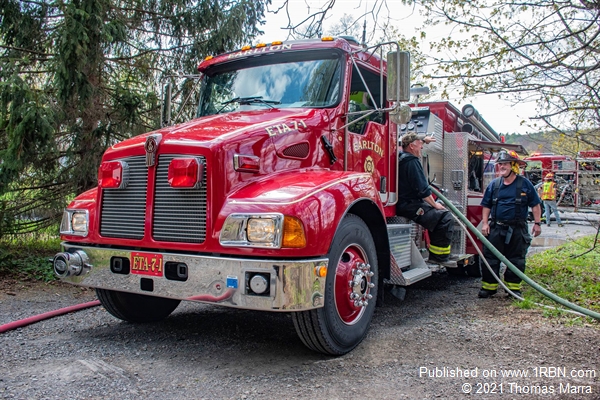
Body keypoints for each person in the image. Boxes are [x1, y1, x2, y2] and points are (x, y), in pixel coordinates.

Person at [479, 149, 542, 298]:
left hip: (517, 229)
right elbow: (486, 205)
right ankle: (489, 287)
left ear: (514, 166)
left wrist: (537, 223)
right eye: (500, 164)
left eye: (505, 164)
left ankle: (513, 289)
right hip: (496, 227)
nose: (502, 166)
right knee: (490, 258)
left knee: (516, 259)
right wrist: (485, 224)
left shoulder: (525, 184)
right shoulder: (494, 185)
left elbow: (535, 205)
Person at [397, 132, 454, 264]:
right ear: (411, 146)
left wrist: (423, 139)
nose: (421, 147)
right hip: (409, 206)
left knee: (437, 215)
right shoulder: (412, 161)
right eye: (420, 144)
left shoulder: (400, 158)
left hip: (402, 203)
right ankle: (439, 258)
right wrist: (435, 205)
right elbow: (422, 189)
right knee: (444, 217)